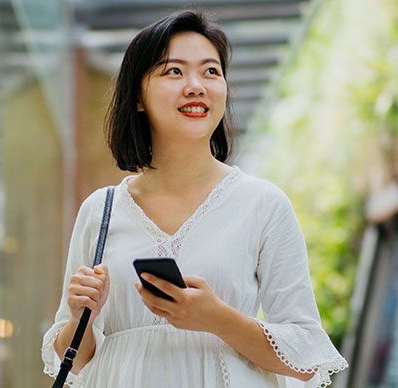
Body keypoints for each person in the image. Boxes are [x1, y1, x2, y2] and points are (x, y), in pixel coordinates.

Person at [41, 10, 348, 387]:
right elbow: (74, 360)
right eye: (174, 71)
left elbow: (305, 356)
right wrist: (79, 315)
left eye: (211, 72)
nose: (196, 86)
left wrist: (217, 318)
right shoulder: (101, 210)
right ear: (138, 96)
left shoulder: (263, 204)